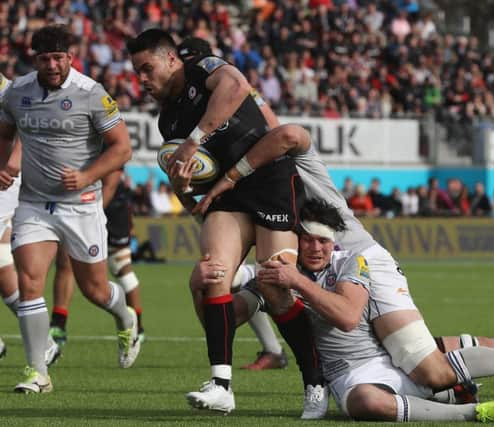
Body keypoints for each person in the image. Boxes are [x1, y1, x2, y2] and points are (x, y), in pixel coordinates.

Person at [196, 125, 494, 419]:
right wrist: (209, 288)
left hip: (363, 263)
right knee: (461, 351)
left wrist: (235, 171)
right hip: (340, 301)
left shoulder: (293, 166)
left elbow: (290, 135)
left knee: (431, 368)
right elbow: (234, 310)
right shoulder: (263, 212)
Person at [127, 30, 318, 416]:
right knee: (212, 275)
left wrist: (195, 139)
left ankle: (315, 381)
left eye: (147, 69)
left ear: (171, 60)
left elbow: (236, 84)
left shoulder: (205, 69)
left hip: (268, 181)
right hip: (225, 196)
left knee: (278, 286)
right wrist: (181, 187)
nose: (142, 80)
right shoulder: (169, 121)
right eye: (137, 73)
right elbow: (192, 198)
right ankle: (221, 385)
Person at [204, 198, 494, 423]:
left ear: (334, 243)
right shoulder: (278, 276)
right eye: (308, 240)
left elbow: (347, 317)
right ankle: (469, 409)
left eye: (323, 241)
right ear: (296, 242)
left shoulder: (350, 263)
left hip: (391, 353)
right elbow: (225, 319)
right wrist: (206, 286)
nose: (316, 248)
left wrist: (299, 283)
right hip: (352, 371)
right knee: (366, 403)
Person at [0, 25, 140, 394]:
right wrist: (3, 166)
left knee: (94, 290)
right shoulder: (17, 92)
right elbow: (4, 131)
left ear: (70, 57)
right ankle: (38, 372)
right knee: (30, 282)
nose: (51, 65)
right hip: (33, 204)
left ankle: (125, 316)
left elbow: (121, 149)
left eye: (58, 58)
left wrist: (86, 175)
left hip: (82, 206)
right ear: (35, 59)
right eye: (44, 59)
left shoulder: (91, 94)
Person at [0, 73, 61, 366]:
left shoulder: (6, 88)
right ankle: (46, 343)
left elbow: (29, 120)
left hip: (3, 178)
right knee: (2, 267)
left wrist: (14, 159)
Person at [49, 168, 146, 346]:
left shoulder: (108, 141)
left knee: (121, 267)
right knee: (65, 261)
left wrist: (91, 218)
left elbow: (111, 182)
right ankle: (58, 325)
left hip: (112, 207)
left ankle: (137, 327)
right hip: (78, 204)